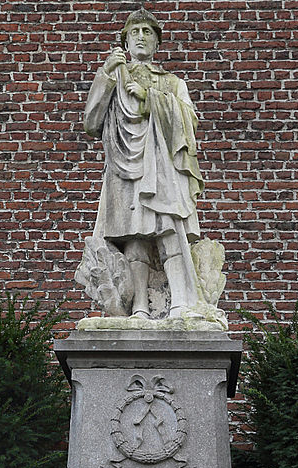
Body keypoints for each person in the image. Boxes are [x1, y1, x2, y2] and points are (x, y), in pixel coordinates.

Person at [83, 7, 204, 319]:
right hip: (125, 167)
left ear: (156, 42)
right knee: (134, 236)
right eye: (134, 32)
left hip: (162, 166)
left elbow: (189, 119)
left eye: (147, 32)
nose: (140, 37)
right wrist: (107, 77)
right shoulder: (114, 75)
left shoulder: (172, 83)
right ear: (125, 40)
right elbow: (91, 121)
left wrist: (151, 97)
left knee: (167, 230)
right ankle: (139, 307)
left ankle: (179, 302)